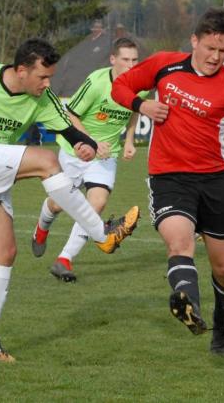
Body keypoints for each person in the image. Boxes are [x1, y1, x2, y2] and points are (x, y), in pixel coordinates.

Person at [0, 38, 140, 362]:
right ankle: (102, 235)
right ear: (21, 70)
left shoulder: (42, 99)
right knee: (47, 161)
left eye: (50, 77)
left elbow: (68, 130)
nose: (47, 84)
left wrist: (85, 143)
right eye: (42, 77)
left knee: (5, 251)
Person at [111, 7, 224, 355]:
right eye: (210, 48)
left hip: (214, 181)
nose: (216, 57)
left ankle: (222, 328)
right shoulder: (165, 65)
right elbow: (120, 87)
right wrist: (142, 105)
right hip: (169, 177)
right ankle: (189, 306)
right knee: (179, 242)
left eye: (223, 51)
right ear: (194, 41)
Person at [31, 37, 146, 282]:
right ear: (113, 59)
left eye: (135, 60)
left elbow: (135, 110)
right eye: (125, 59)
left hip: (106, 155)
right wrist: (92, 141)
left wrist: (128, 141)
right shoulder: (97, 81)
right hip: (76, 149)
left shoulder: (141, 85)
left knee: (97, 203)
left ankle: (64, 259)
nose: (131, 65)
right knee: (58, 204)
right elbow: (69, 114)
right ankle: (42, 227)